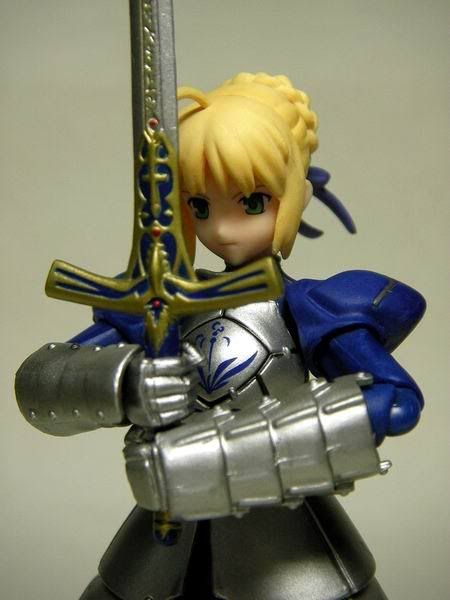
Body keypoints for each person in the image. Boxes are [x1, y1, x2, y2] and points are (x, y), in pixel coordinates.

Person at [16, 73, 425, 599]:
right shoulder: (166, 307)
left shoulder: (309, 308)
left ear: (295, 196)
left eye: (252, 202)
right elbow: (42, 383)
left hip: (285, 538)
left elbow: (397, 400)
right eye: (201, 207)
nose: (223, 229)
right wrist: (125, 384)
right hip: (164, 535)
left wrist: (254, 451)